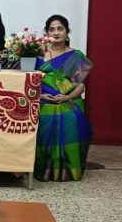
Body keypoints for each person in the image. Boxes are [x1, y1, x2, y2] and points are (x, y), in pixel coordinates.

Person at [34, 15, 93, 182]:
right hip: (42, 100)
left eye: (60, 29)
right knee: (44, 115)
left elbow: (80, 86)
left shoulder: (76, 56)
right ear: (46, 33)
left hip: (69, 100)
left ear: (67, 32)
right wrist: (40, 95)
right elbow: (30, 82)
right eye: (52, 29)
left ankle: (67, 170)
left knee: (69, 117)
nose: (56, 33)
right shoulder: (38, 56)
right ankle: (44, 169)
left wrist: (67, 97)